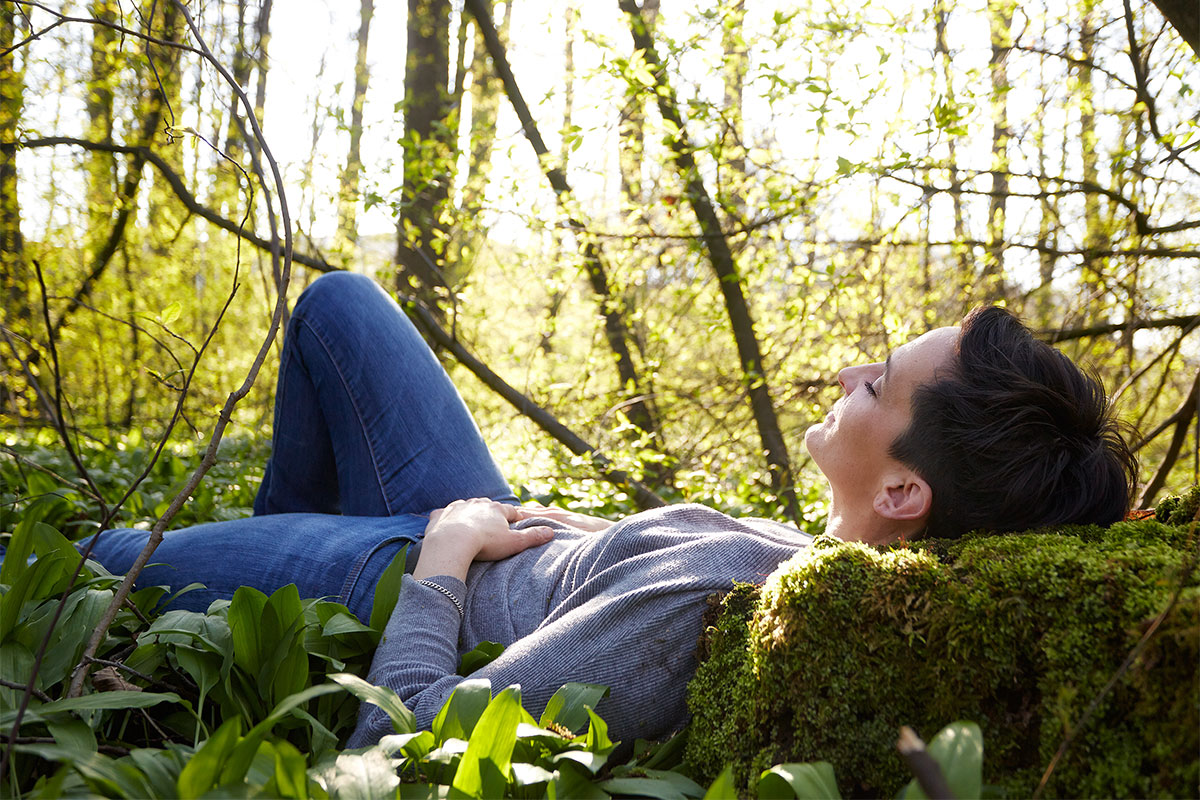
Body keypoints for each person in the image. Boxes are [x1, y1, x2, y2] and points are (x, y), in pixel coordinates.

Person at [79, 272, 1136, 747]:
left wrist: (444, 559)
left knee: (101, 553)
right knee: (336, 304)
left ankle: (263, 593)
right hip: (483, 519)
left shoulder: (719, 609)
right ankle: (247, 603)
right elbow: (632, 563)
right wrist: (563, 534)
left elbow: (404, 740)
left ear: (904, 491)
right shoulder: (811, 563)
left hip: (409, 569)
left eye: (876, 385)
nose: (852, 368)